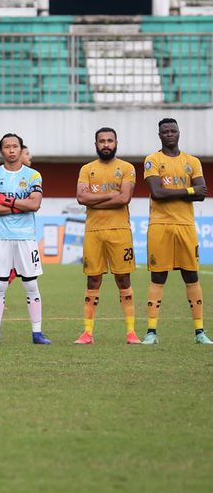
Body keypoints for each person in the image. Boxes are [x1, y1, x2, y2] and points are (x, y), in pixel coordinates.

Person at [142, 118, 212, 345]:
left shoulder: (192, 161)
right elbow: (157, 193)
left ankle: (199, 332)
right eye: (165, 131)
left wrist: (180, 190)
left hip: (185, 225)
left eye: (173, 130)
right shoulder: (153, 160)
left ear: (179, 133)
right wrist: (190, 189)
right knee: (158, 276)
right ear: (159, 135)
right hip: (160, 225)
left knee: (191, 275)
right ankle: (151, 332)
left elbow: (202, 194)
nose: (169, 134)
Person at [0, 133, 51, 345]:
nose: (11, 150)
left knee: (31, 285)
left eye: (15, 146)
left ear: (21, 149)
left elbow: (34, 205)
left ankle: (37, 333)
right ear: (1, 151)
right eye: (7, 147)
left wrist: (7, 200)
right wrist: (20, 205)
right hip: (1, 238)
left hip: (26, 238)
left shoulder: (33, 175)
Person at [74, 128, 140, 345]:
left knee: (123, 279)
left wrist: (96, 199)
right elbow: (81, 198)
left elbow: (124, 199)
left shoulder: (127, 168)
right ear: (96, 144)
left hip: (119, 231)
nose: (106, 144)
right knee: (93, 279)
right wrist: (112, 194)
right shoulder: (87, 169)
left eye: (109, 140)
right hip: (93, 231)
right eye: (101, 141)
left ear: (116, 143)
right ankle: (87, 333)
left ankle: (131, 332)